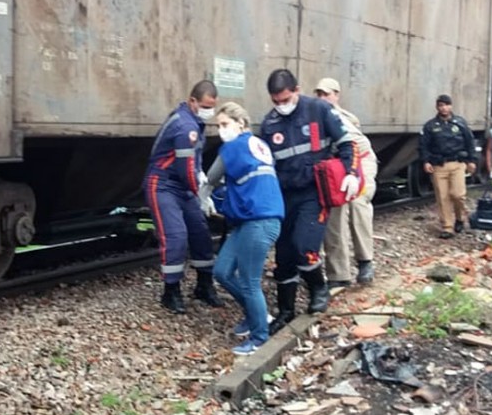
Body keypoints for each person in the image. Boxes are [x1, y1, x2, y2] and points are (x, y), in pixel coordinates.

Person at [261, 69, 359, 333]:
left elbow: (348, 144)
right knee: (284, 255)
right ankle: (286, 310)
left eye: (285, 99)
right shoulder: (269, 124)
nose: (281, 106)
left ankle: (318, 288)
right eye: (276, 102)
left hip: (314, 192)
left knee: (304, 245)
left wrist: (351, 173)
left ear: (297, 90)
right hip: (285, 194)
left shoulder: (318, 110)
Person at [199, 103, 283, 356]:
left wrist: (203, 197)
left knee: (249, 282)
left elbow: (212, 178)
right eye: (218, 126)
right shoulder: (260, 145)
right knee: (223, 271)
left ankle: (259, 337)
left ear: (241, 124)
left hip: (258, 220)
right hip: (253, 219)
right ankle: (254, 315)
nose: (221, 130)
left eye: (225, 125)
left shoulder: (234, 147)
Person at [142, 81, 223, 313]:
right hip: (163, 186)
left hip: (182, 186)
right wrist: (202, 192)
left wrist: (200, 181)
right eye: (206, 106)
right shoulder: (185, 126)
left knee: (200, 234)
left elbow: (193, 164)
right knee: (176, 236)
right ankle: (171, 291)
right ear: (193, 101)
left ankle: (204, 286)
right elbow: (185, 168)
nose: (209, 111)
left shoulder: (194, 123)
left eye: (212, 106)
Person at [313, 78, 378, 289]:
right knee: (335, 210)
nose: (322, 98)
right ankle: (338, 273)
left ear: (336, 95)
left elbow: (354, 148)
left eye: (327, 94)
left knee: (358, 202)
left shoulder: (346, 118)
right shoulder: (315, 118)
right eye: (319, 94)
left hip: (362, 161)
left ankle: (365, 261)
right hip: (336, 166)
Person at [418, 94, 477, 239]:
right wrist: (426, 161)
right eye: (441, 105)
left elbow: (470, 142)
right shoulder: (430, 126)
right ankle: (447, 227)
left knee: (458, 195)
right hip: (439, 165)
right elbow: (423, 145)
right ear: (437, 107)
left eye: (446, 105)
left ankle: (459, 218)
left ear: (451, 106)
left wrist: (471, 160)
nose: (444, 108)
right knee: (442, 197)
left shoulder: (460, 123)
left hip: (457, 163)